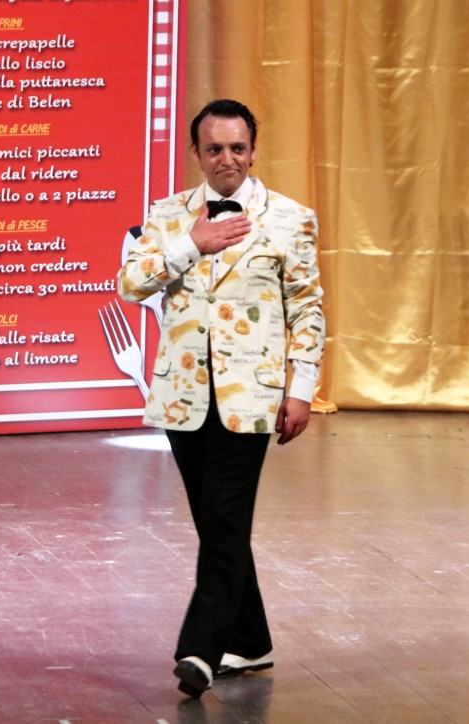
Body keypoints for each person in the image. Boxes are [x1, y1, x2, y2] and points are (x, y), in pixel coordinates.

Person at [117, 99, 325, 698]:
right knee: (217, 524)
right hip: (183, 395)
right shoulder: (167, 215)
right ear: (197, 154)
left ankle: (200, 650)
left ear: (253, 151)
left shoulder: (291, 218)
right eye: (214, 149)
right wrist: (192, 244)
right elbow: (130, 284)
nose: (226, 159)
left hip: (251, 397)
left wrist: (301, 389)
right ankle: (251, 642)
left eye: (237, 148)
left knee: (226, 518)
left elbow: (307, 308)